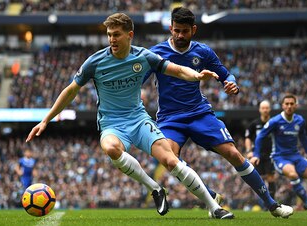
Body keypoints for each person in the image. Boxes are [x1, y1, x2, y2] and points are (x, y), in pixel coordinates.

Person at [26, 13, 234, 219]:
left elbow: (177, 70)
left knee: (171, 161)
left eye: (116, 35)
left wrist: (196, 75)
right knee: (110, 148)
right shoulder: (95, 62)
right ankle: (154, 188)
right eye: (109, 35)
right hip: (111, 123)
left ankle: (214, 207)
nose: (112, 40)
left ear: (129, 35)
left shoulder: (143, 56)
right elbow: (71, 90)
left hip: (139, 119)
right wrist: (46, 119)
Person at [143, 7, 293, 218]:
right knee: (169, 159)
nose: (179, 35)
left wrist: (232, 84)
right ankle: (211, 196)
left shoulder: (203, 52)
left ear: (193, 30)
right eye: (176, 30)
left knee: (233, 153)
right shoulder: (155, 53)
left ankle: (272, 204)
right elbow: (137, 80)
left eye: (184, 31)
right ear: (170, 28)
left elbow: (226, 75)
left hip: (199, 114)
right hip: (170, 119)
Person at [252, 94, 307, 214]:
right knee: (293, 174)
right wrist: (256, 154)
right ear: (282, 106)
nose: (289, 106)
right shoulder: (275, 121)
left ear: (296, 105)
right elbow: (260, 136)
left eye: (292, 104)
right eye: (287, 104)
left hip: (296, 156)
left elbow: (304, 138)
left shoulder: (299, 120)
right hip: (280, 158)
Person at [246, 100, 276, 201]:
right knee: (258, 178)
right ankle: (256, 201)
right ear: (259, 110)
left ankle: (272, 202)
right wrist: (249, 150)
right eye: (263, 108)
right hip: (256, 155)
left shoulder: (274, 123)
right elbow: (248, 137)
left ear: (270, 109)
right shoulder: (254, 124)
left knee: (271, 177)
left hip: (270, 154)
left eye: (267, 108)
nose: (265, 110)